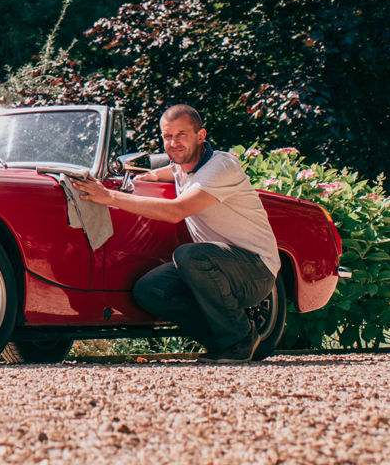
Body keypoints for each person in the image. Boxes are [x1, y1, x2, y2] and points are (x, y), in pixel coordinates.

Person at [72, 104, 279, 364]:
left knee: (189, 255)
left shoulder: (220, 167)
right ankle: (223, 343)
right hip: (218, 267)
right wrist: (140, 177)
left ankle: (240, 339)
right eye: (167, 136)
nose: (173, 143)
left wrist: (109, 196)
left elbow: (176, 211)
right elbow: (167, 172)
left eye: (182, 134)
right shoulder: (182, 167)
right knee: (150, 290)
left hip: (255, 270)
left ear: (201, 136)